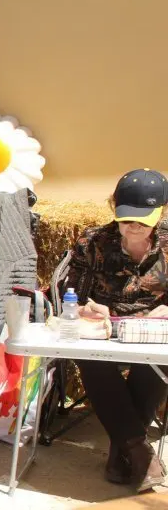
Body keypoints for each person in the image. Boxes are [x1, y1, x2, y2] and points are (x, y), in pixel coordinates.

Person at [66, 168, 168, 492]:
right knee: (90, 356)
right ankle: (138, 450)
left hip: (154, 331)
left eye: (142, 219)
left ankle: (122, 451)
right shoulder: (93, 242)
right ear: (114, 208)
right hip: (105, 330)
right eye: (126, 219)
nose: (133, 226)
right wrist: (87, 308)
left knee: (158, 361)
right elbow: (73, 297)